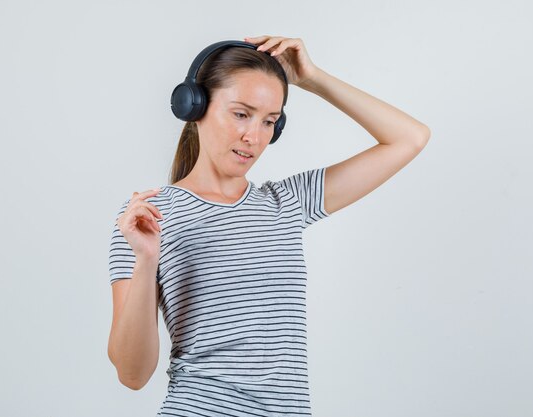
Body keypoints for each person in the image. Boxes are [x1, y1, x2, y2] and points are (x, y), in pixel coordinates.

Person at [107, 35, 430, 416]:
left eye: (269, 122)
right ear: (194, 106)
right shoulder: (150, 217)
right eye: (241, 114)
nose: (254, 137)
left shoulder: (288, 203)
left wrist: (313, 79)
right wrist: (145, 261)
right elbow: (132, 374)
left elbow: (409, 138)